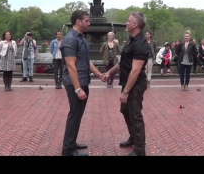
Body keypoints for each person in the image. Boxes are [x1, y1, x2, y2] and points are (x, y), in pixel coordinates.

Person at [60, 10, 106, 156]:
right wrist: (78, 89)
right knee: (74, 114)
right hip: (75, 84)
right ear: (78, 22)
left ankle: (72, 143)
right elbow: (71, 66)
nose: (89, 23)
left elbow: (86, 61)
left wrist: (98, 74)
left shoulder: (82, 38)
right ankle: (68, 150)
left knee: (78, 114)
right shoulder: (70, 39)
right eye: (86, 21)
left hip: (83, 81)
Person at [105, 12, 149, 156]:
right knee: (125, 110)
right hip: (128, 84)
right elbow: (123, 63)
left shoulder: (141, 44)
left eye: (128, 21)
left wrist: (125, 92)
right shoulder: (131, 40)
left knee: (135, 116)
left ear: (135, 24)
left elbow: (135, 71)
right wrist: (109, 72)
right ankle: (133, 138)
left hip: (135, 86)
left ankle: (140, 150)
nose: (126, 23)